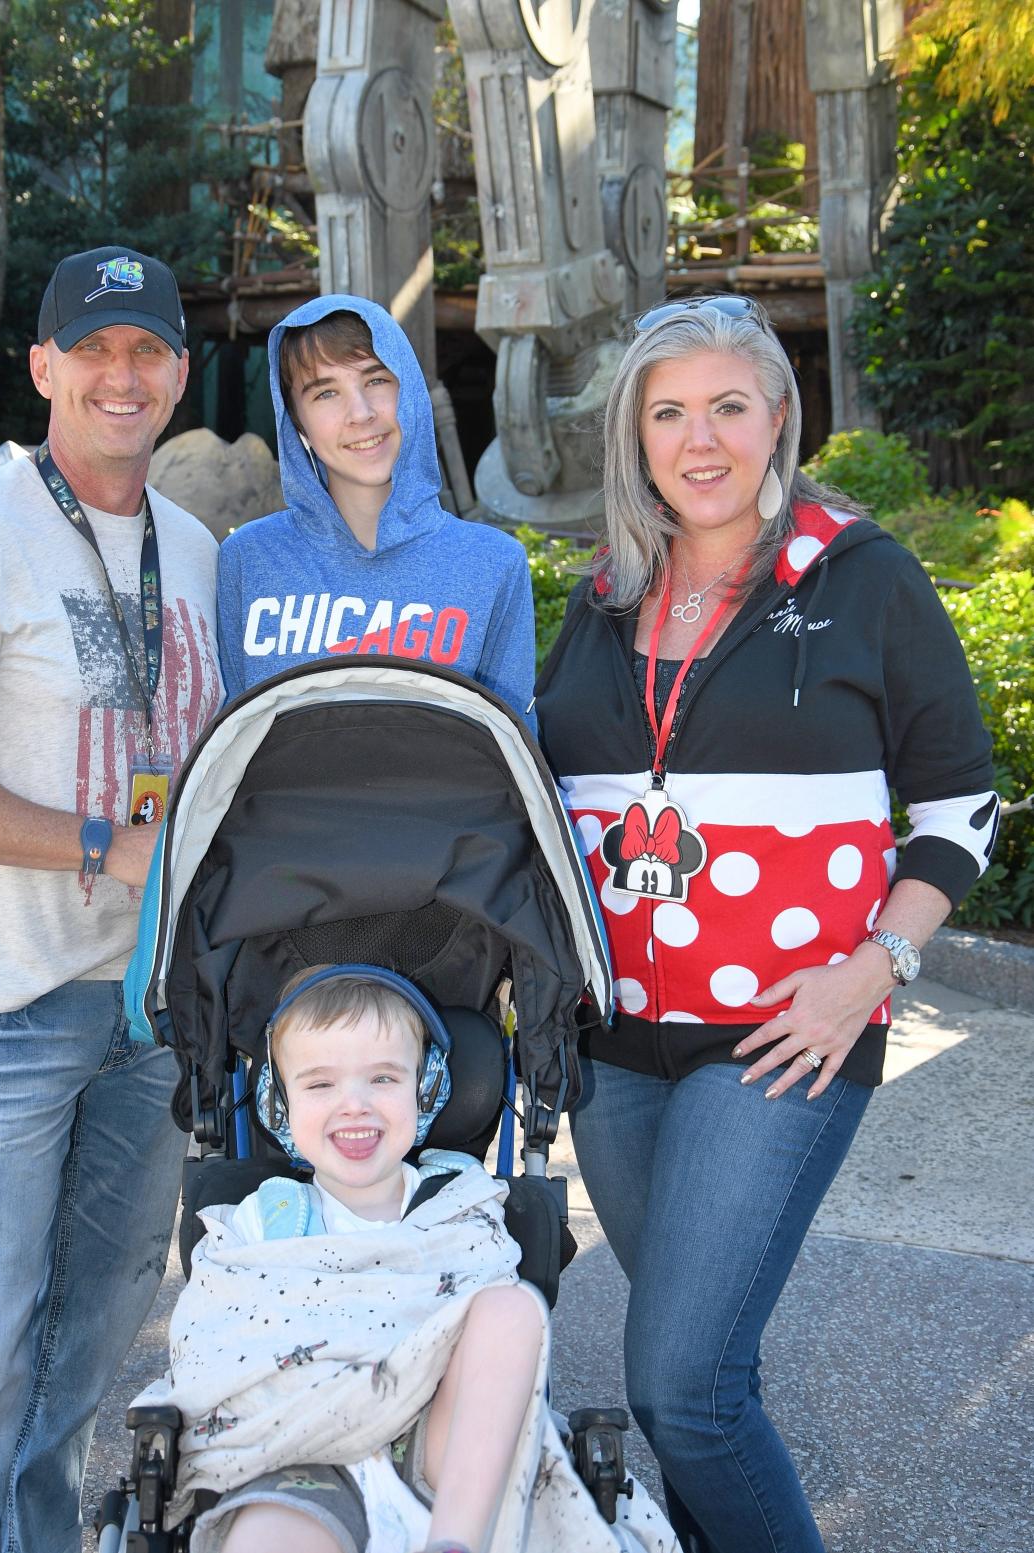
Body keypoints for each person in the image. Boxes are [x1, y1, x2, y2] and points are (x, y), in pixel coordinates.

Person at [533, 294, 998, 1553]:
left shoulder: (863, 575)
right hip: (615, 1051)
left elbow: (963, 803)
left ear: (779, 415)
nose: (699, 439)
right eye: (667, 410)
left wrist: (876, 967)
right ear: (635, 435)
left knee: (680, 1382)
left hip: (786, 1035)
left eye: (727, 406)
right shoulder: (603, 593)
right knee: (704, 1379)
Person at [0, 245, 224, 1553]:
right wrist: (96, 841)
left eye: (147, 352)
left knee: (86, 1341)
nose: (121, 376)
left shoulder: (191, 549)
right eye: (95, 350)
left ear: (179, 372)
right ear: (43, 368)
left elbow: (181, 760)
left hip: (143, 1012)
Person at [139, 966, 676, 1553]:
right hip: (299, 1446)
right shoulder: (261, 1219)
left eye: (383, 1078)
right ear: (277, 1101)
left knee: (511, 1310)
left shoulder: (460, 1202)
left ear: (428, 1089)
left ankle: (455, 1545)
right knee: (266, 1537)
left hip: (441, 1453)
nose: (355, 1106)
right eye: (320, 1085)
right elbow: (210, 1340)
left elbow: (489, 1353)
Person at [216, 295, 536, 726]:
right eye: (326, 392)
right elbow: (229, 746)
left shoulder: (492, 564)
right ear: (297, 426)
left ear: (411, 390)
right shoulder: (249, 560)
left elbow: (515, 753)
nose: (361, 414)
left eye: (377, 380)